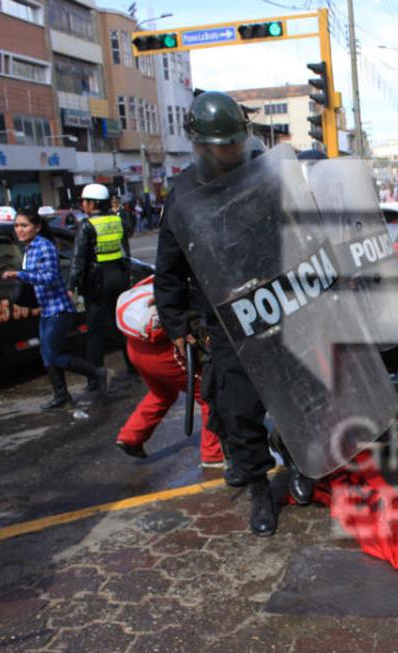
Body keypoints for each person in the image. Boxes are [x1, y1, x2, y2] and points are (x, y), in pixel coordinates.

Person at [155, 91, 282, 536]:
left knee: (299, 396)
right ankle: (260, 488)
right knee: (240, 406)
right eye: (220, 145)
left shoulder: (264, 176)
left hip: (281, 305)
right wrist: (175, 323)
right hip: (228, 318)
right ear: (201, 145)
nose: (230, 151)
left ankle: (308, 465)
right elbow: (168, 265)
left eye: (234, 142)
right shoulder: (185, 193)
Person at [113, 281, 225, 467]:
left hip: (137, 349)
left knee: (162, 393)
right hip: (165, 354)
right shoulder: (183, 284)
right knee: (209, 392)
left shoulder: (161, 278)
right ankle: (213, 454)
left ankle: (131, 436)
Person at [2, 210, 105, 409]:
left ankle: (96, 373)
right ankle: (61, 394)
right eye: (17, 226)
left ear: (37, 227)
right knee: (46, 354)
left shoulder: (44, 246)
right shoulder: (29, 248)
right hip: (46, 309)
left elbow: (50, 277)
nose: (19, 230)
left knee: (53, 354)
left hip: (59, 308)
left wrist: (20, 276)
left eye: (24, 225)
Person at [70, 183, 131, 386]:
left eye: (84, 201)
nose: (82, 205)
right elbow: (125, 246)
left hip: (98, 283)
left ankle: (95, 378)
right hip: (118, 278)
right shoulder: (116, 220)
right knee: (122, 326)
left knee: (95, 332)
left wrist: (73, 286)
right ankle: (133, 366)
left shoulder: (87, 226)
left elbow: (78, 260)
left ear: (92, 203)